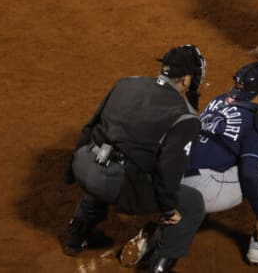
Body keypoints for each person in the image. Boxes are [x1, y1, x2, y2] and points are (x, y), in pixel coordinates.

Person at [62, 44, 208, 273]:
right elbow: (167, 169)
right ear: (187, 79)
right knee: (192, 203)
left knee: (110, 159)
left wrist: (71, 170)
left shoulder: (126, 82)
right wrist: (169, 209)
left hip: (83, 163)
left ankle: (76, 236)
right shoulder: (186, 116)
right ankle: (160, 266)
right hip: (116, 184)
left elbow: (90, 126)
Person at [181, 62, 258, 264]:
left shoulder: (218, 101)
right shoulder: (255, 119)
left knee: (225, 152)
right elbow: (249, 172)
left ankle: (167, 226)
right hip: (202, 190)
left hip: (172, 180)